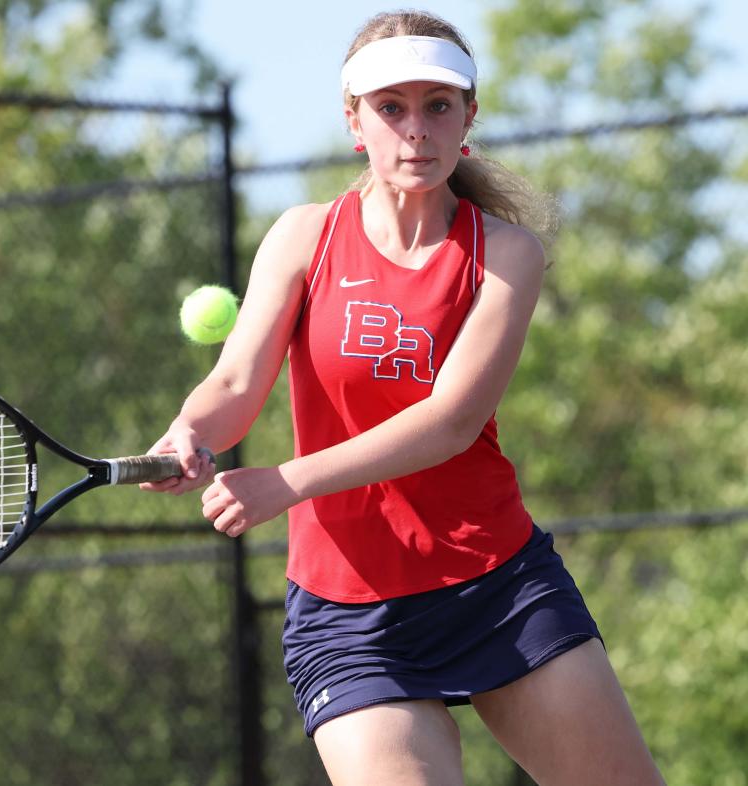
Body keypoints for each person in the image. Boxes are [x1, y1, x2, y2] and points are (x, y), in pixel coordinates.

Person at [142, 10, 666, 786]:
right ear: (354, 122)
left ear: (469, 119)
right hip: (349, 617)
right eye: (391, 108)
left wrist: (281, 484)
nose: (415, 129)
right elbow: (233, 382)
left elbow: (449, 422)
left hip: (501, 586)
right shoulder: (303, 236)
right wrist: (186, 430)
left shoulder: (507, 254)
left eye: (437, 105)